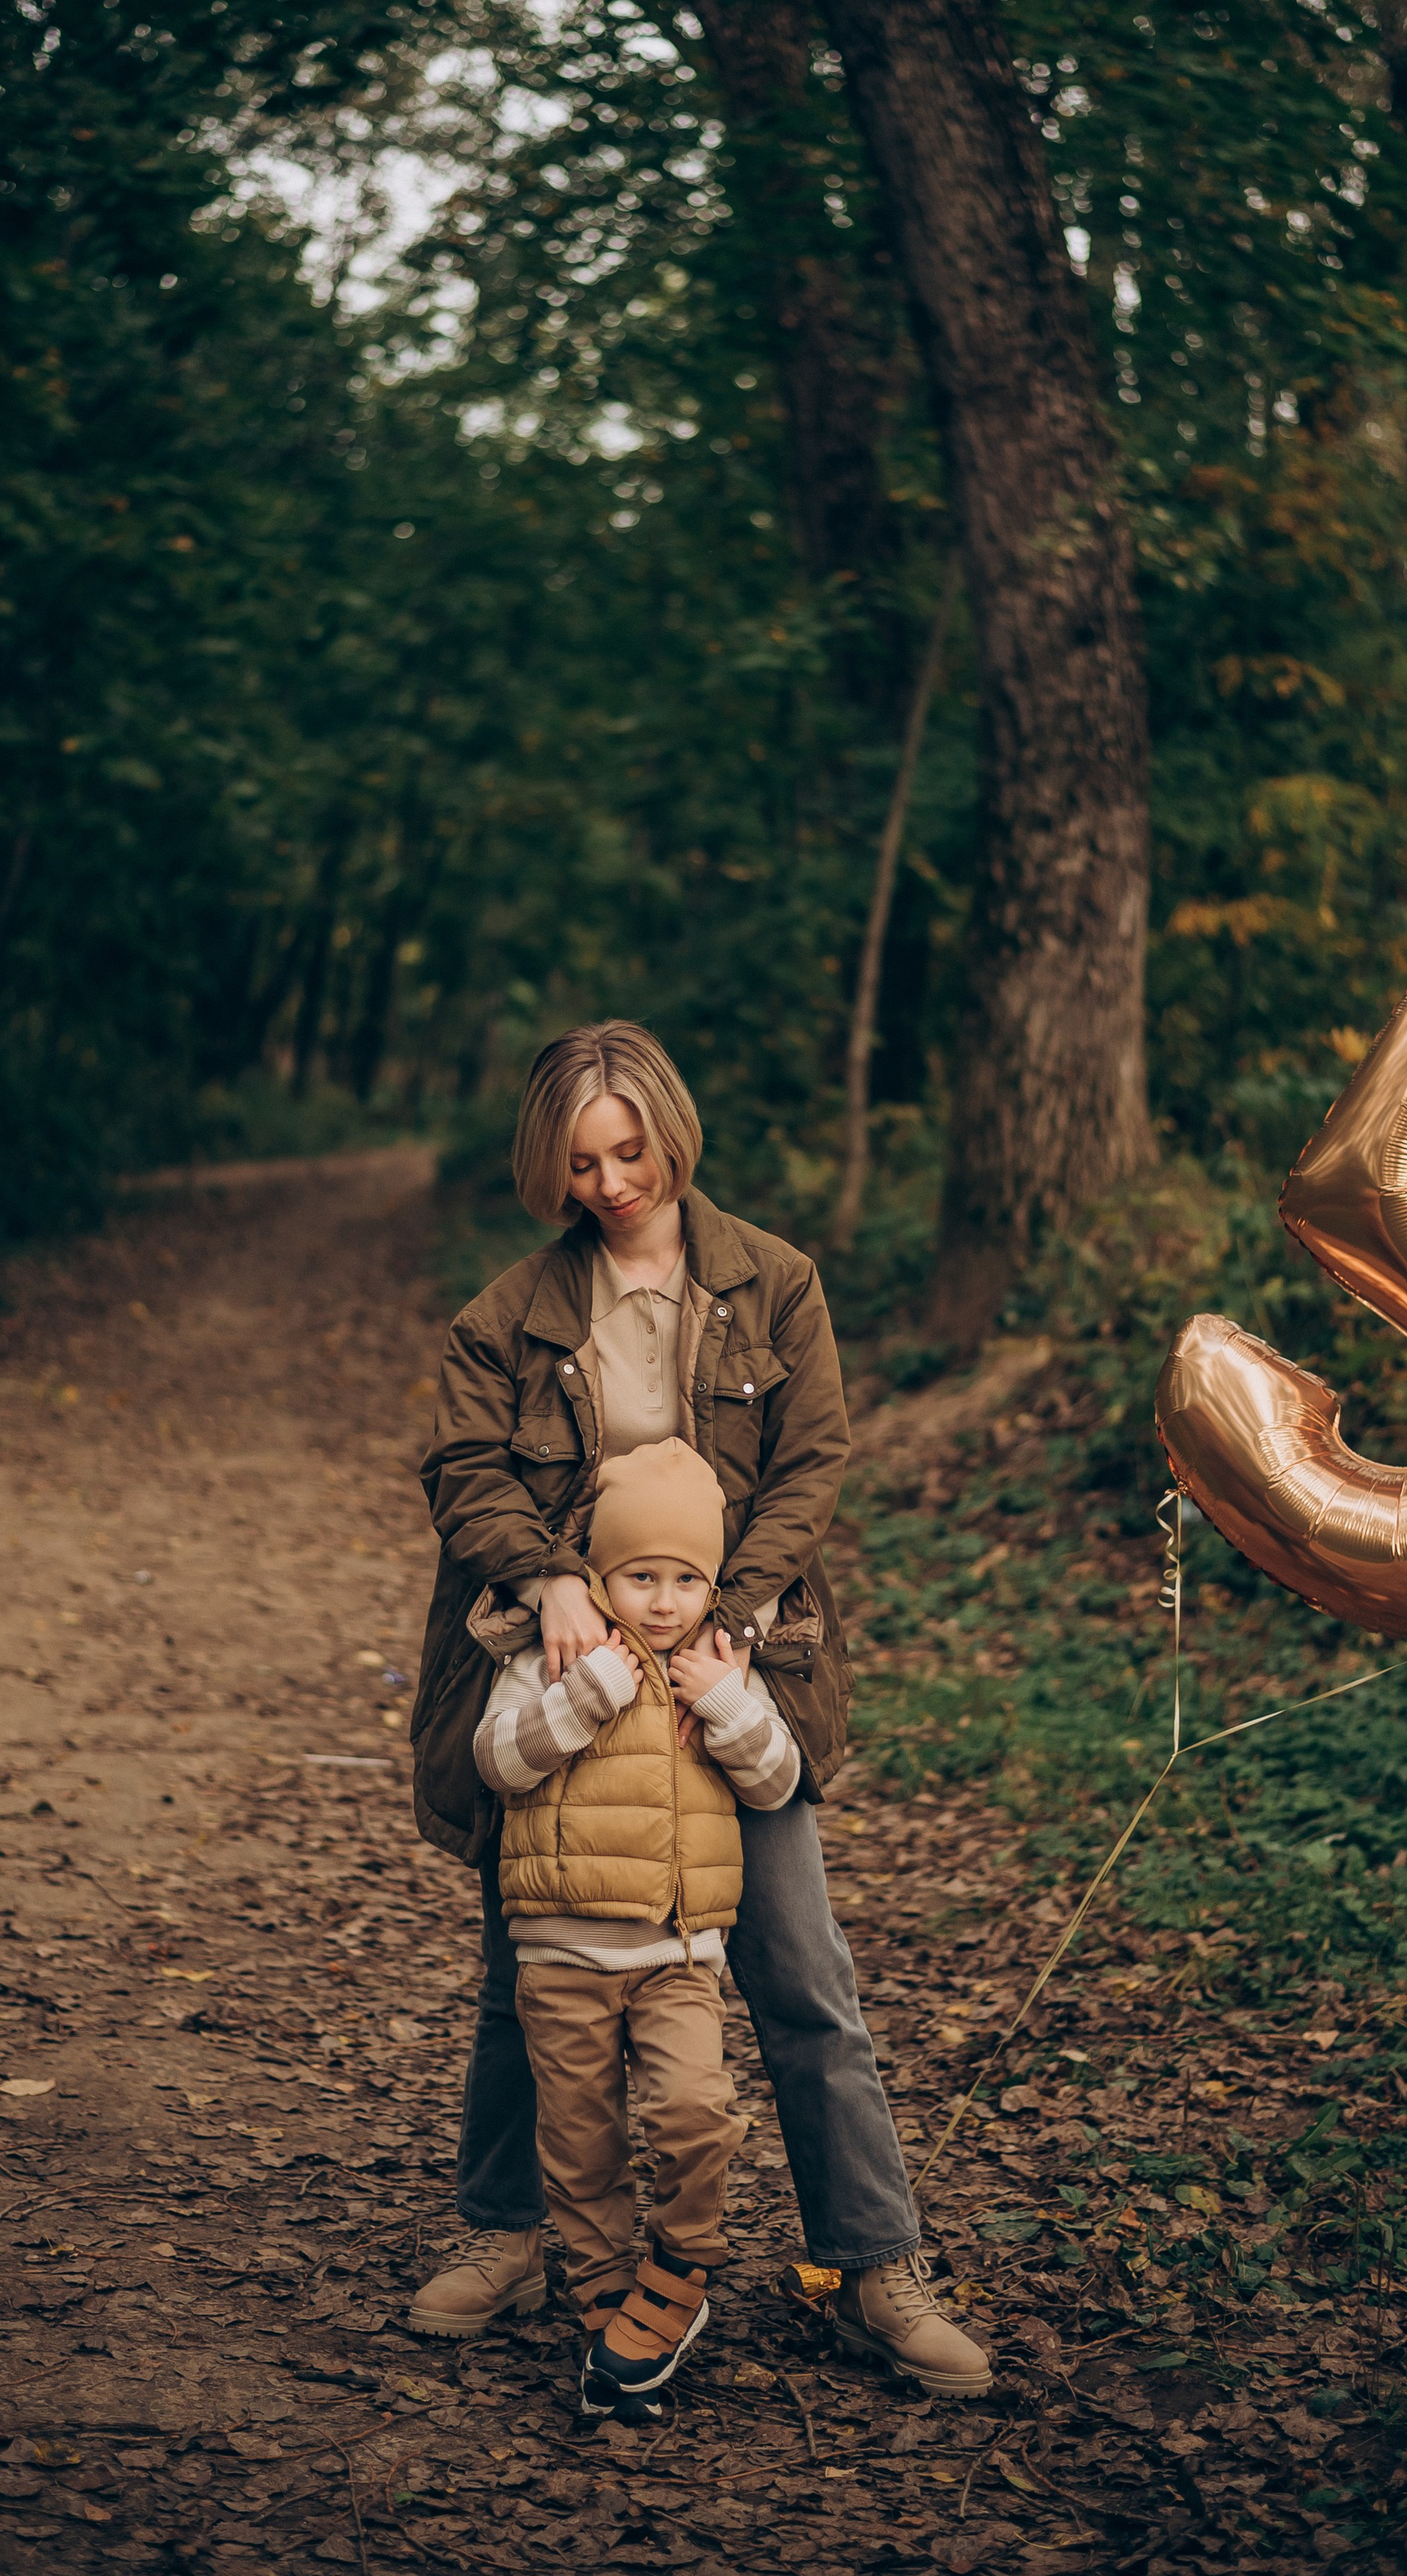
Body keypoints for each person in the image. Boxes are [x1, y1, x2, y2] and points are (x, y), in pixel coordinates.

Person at [407, 1019, 991, 2395]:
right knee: (527, 1965)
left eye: (629, 1150)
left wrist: (732, 1614)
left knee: (799, 1966)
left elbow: (815, 1457)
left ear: (669, 1128)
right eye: (580, 1164)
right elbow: (461, 1466)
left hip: (728, 1663)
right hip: (562, 1671)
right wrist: (550, 1576)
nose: (611, 1183)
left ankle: (873, 2261)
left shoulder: (776, 1284)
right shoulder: (506, 1316)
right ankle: (505, 2234)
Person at [472, 1436, 799, 2414]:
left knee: (697, 2113)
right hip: (561, 1956)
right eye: (639, 1576)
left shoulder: (722, 1669)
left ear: (713, 1584)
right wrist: (585, 1697)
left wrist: (731, 1706)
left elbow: (779, 1780)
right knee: (581, 2150)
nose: (663, 1601)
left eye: (686, 1578)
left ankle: (682, 2272)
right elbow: (497, 1762)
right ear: (598, 1577)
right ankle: (614, 2317)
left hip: (678, 1953)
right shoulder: (556, 1658)